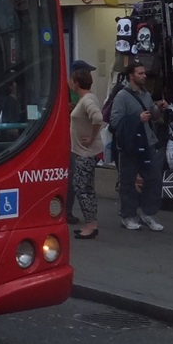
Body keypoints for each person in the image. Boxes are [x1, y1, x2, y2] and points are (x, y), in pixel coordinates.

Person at [109, 61, 166, 231]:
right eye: (140, 73)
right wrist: (137, 119)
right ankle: (128, 216)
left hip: (148, 143)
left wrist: (159, 109)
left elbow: (152, 115)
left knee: (154, 179)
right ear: (131, 76)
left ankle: (148, 213)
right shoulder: (122, 96)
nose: (144, 76)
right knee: (128, 181)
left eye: (144, 73)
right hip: (130, 145)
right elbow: (115, 121)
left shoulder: (146, 94)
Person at [68, 64, 104, 239]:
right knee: (88, 188)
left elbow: (97, 117)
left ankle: (89, 225)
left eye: (72, 79)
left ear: (76, 83)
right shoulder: (88, 98)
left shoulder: (87, 100)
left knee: (82, 188)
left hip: (84, 152)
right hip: (86, 151)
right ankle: (92, 223)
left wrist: (91, 137)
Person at [65, 58, 96, 223]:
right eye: (86, 73)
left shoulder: (83, 93)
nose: (89, 76)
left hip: (78, 139)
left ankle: (69, 211)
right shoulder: (64, 90)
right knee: (72, 176)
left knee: (77, 177)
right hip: (68, 139)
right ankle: (66, 211)